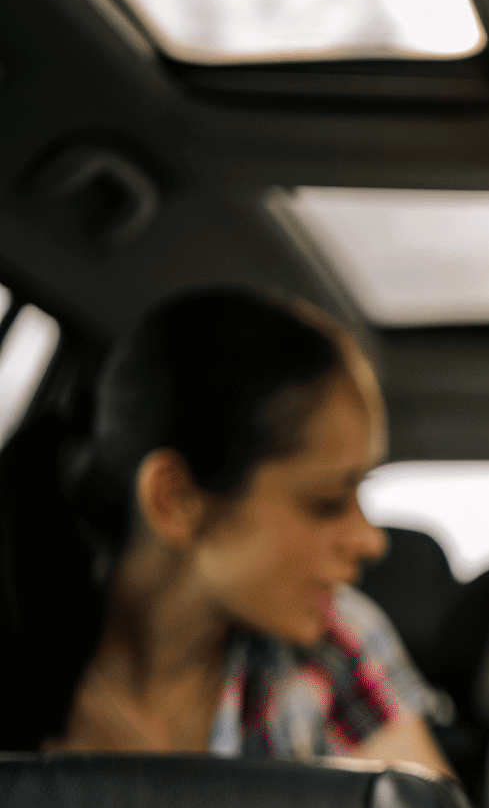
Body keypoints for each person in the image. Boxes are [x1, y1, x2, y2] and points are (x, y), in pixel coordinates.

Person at [0, 286, 447, 770]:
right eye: (327, 501)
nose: (372, 540)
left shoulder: (335, 651)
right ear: (176, 499)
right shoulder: (21, 675)